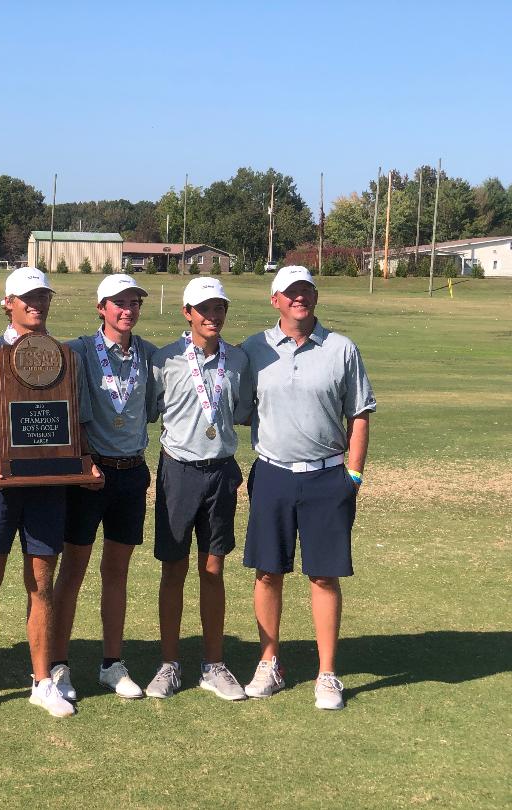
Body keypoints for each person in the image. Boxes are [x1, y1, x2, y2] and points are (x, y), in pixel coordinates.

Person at [0, 267, 101, 718]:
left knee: (41, 583)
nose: (36, 304)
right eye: (27, 298)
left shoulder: (66, 356)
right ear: (8, 303)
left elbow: (80, 423)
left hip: (48, 484)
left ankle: (41, 681)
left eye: (42, 297)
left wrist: (87, 462)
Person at [240, 265, 375, 710]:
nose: (300, 298)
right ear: (274, 299)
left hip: (326, 476)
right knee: (267, 571)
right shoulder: (254, 349)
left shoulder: (341, 349)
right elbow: (235, 407)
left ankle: (327, 673)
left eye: (307, 291)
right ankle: (269, 662)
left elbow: (359, 413)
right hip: (273, 473)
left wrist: (352, 475)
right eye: (291, 292)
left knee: (324, 574)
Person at [144, 277, 252, 702]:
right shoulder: (164, 360)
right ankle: (169, 663)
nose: (213, 315)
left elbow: (242, 412)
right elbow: (152, 409)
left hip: (221, 472)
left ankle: (213, 664)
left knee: (213, 569)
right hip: (178, 472)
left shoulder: (239, 359)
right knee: (174, 569)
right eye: (204, 308)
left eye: (219, 307)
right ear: (187, 312)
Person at [50, 274, 157, 701]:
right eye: (118, 303)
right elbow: (26, 352)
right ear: (101, 308)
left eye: (133, 302)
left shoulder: (150, 355)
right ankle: (58, 664)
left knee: (117, 572)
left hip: (132, 474)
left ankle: (112, 663)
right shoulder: (76, 351)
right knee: (72, 572)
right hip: (88, 477)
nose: (127, 309)